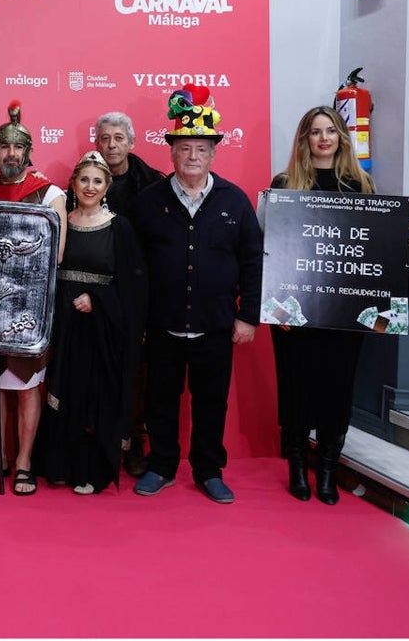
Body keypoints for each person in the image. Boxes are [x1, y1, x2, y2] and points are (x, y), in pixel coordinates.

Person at [129, 86, 262, 504]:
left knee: (212, 403)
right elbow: (134, 267)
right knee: (160, 400)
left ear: (213, 154)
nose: (192, 157)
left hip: (217, 325)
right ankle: (161, 465)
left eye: (200, 149)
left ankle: (208, 470)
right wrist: (138, 320)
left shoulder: (234, 201)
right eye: (184, 148)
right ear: (171, 153)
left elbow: (253, 262)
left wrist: (248, 316)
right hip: (161, 324)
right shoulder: (148, 202)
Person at [268, 105, 375, 505]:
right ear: (304, 140)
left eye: (330, 131)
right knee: (297, 389)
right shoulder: (284, 184)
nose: (324, 138)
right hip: (296, 315)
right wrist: (277, 310)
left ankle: (327, 467)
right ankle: (298, 465)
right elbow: (273, 251)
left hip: (346, 317)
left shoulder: (362, 187)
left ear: (342, 138)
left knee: (337, 390)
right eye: (315, 132)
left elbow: (372, 255)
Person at [0, 102, 66, 496]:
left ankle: (23, 460)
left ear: (28, 152)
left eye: (17, 148)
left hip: (29, 307)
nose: (11, 155)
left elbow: (55, 253)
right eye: (3, 148)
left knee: (26, 387)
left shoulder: (49, 193)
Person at [38, 151, 147, 495]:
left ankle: (93, 471)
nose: (89, 186)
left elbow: (132, 286)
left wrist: (97, 300)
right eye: (83, 179)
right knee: (62, 390)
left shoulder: (120, 228)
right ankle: (60, 466)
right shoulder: (59, 223)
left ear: (107, 186)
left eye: (97, 181)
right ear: (73, 184)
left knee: (94, 395)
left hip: (101, 330)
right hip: (64, 324)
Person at [88, 111, 164, 477]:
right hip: (95, 292)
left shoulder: (154, 184)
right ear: (96, 143)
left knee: (139, 375)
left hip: (139, 294)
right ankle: (97, 441)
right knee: (97, 369)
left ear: (132, 142)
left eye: (118, 138)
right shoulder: (84, 182)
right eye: (104, 138)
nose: (112, 145)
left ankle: (135, 442)